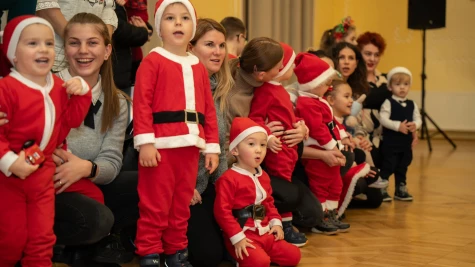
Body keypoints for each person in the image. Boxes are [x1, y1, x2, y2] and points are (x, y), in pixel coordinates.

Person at [133, 1, 220, 266]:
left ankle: (176, 252)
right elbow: (142, 104)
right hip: (159, 148)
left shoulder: (198, 67)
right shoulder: (152, 61)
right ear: (159, 26)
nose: (178, 23)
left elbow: (208, 109)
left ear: (193, 26)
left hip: (190, 148)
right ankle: (149, 252)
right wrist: (146, 142)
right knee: (155, 205)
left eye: (185, 18)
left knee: (180, 205)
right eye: (170, 18)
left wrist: (212, 146)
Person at [0, 15, 91, 266]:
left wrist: (82, 93)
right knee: (11, 240)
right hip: (9, 180)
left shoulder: (60, 86)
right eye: (32, 44)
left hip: (43, 175)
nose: (43, 49)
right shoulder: (6, 89)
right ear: (13, 53)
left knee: (42, 239)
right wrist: (9, 161)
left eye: (49, 44)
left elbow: (70, 121)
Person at [51, 13, 136, 266]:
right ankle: (64, 242)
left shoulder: (117, 101)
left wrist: (86, 168)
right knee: (96, 218)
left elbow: (111, 160)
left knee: (151, 182)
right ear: (65, 49)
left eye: (92, 43)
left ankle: (89, 246)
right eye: (74, 42)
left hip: (89, 180)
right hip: (51, 184)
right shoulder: (47, 87)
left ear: (108, 50)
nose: (83, 51)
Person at [226, 36, 322, 237]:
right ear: (261, 74)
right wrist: (264, 134)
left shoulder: (273, 86)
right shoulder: (239, 94)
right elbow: (248, 123)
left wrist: (302, 129)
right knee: (289, 195)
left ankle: (277, 220)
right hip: (253, 160)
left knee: (313, 214)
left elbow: (290, 114)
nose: (284, 69)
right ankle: (268, 222)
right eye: (279, 67)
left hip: (285, 154)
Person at [214, 117, 301, 267]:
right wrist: (237, 237)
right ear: (235, 150)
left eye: (263, 145)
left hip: (265, 232)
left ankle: (261, 253)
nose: (259, 149)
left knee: (294, 256)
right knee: (261, 263)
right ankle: (236, 255)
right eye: (251, 144)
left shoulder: (264, 176)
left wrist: (276, 223)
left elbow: (269, 204)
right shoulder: (228, 178)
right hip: (243, 235)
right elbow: (222, 212)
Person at [248, 42, 308, 247]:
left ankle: (285, 223)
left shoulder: (280, 90)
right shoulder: (265, 91)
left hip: (289, 150)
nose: (291, 70)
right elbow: (255, 118)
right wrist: (269, 137)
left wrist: (301, 125)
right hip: (278, 151)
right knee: (283, 190)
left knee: (287, 184)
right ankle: (285, 225)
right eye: (289, 65)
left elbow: (289, 115)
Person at [187, 18, 233, 267]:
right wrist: (183, 186)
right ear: (190, 47)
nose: (218, 52)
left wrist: (229, 190)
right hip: (181, 189)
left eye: (222, 45)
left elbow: (221, 150)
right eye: (209, 44)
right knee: (208, 256)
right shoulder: (179, 87)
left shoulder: (218, 89)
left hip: (206, 185)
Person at [294, 52, 353, 234]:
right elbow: (318, 129)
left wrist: (341, 137)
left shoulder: (317, 99)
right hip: (317, 151)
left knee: (335, 184)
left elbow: (332, 122)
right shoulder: (306, 103)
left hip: (329, 147)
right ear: (313, 84)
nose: (328, 87)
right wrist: (332, 147)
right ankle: (321, 217)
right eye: (325, 83)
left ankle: (331, 213)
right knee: (320, 185)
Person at [36, 0, 118, 72]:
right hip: (55, 59)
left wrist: (101, 46)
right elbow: (45, 6)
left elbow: (108, 8)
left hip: (93, 64)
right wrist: (76, 42)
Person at [379, 67, 421, 202]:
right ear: (390, 87)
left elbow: (418, 118)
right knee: (388, 164)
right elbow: (383, 119)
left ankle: (400, 188)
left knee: (403, 165)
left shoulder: (412, 104)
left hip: (405, 143)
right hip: (391, 142)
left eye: (405, 84)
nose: (402, 88)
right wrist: (398, 126)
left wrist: (415, 125)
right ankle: (382, 186)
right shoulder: (388, 102)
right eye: (397, 84)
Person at [357, 32, 391, 167]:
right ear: (359, 54)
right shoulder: (354, 81)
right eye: (368, 54)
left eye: (376, 55)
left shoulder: (386, 80)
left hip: (385, 137)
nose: (372, 59)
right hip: (362, 137)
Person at [112, 0, 150, 96]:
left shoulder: (134, 5)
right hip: (117, 67)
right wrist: (144, 32)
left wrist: (146, 30)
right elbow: (119, 29)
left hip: (131, 60)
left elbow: (141, 20)